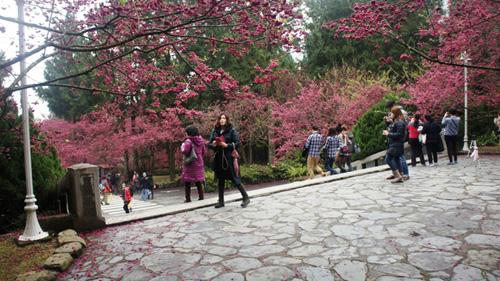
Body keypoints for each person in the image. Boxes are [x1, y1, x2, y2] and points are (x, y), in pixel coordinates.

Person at [209, 114, 250, 208]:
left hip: (229, 158)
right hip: (218, 158)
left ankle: (245, 197)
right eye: (220, 118)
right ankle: (221, 201)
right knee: (220, 179)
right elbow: (209, 144)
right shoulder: (215, 131)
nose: (222, 120)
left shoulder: (232, 130)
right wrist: (214, 144)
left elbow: (238, 143)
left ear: (227, 120)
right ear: (218, 120)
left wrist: (227, 146)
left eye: (224, 118)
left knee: (235, 178)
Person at [384, 101, 409, 180]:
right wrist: (388, 122)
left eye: (391, 111)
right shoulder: (395, 119)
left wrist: (388, 134)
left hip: (398, 142)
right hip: (393, 141)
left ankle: (404, 174)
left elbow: (399, 132)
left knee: (398, 158)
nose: (389, 112)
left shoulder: (400, 118)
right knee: (396, 158)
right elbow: (392, 127)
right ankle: (398, 174)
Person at [181, 126, 206, 203]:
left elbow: (185, 151)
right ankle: (201, 197)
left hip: (190, 164)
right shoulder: (201, 140)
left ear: (189, 133)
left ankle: (188, 199)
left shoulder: (188, 141)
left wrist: (182, 146)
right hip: (199, 162)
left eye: (186, 133)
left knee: (187, 181)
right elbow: (203, 151)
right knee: (198, 181)